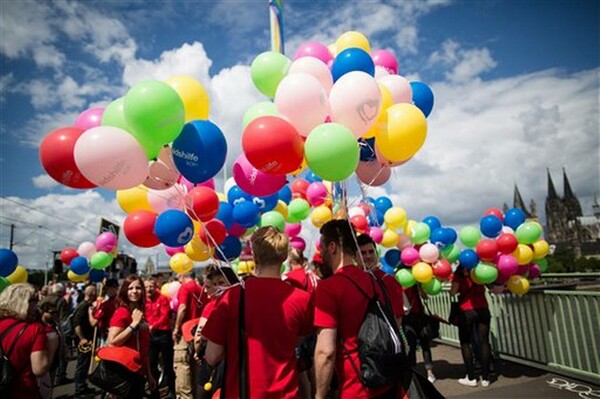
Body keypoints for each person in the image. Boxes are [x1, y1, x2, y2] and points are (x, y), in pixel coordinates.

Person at [203, 226, 313, 398]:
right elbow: (296, 341)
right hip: (286, 393)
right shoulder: (302, 299)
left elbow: (212, 356)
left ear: (254, 256)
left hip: (241, 392)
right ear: (284, 256)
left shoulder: (232, 297)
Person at [314, 219, 404, 399]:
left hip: (356, 384)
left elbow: (326, 352)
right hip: (385, 375)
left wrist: (319, 395)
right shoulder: (375, 280)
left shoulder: (328, 288)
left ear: (332, 247)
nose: (320, 251)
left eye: (322, 245)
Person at [0, 283, 56, 399]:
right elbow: (39, 369)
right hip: (23, 390)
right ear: (23, 303)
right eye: (34, 300)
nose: (37, 305)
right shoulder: (34, 330)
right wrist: (52, 348)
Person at [108, 275, 156, 398]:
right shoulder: (122, 312)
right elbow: (112, 342)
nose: (134, 291)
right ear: (125, 291)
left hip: (139, 371)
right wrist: (134, 324)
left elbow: (143, 349)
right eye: (130, 288)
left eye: (138, 288)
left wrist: (149, 374)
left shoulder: (139, 312)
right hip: (125, 372)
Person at [450, 265, 492, 387]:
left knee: (465, 343)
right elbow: (490, 284)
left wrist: (454, 290)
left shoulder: (458, 275)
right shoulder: (479, 272)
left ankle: (471, 377)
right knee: (484, 342)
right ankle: (485, 378)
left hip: (466, 311)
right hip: (483, 309)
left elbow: (453, 292)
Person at [173, 271, 204, 399]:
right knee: (195, 367)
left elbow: (182, 308)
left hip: (185, 332)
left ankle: (185, 396)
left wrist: (176, 328)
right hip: (197, 331)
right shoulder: (201, 289)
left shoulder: (184, 288)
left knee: (182, 366)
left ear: (182, 275)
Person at [145, 276, 176, 399]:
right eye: (146, 287)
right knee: (151, 365)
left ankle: (171, 391)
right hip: (150, 335)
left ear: (156, 286)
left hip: (163, 334)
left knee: (168, 365)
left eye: (151, 286)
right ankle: (154, 392)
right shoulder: (144, 300)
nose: (149, 289)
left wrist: (153, 325)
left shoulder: (162, 298)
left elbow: (164, 315)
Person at [403, 283, 436, 383]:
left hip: (419, 317)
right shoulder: (399, 284)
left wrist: (420, 288)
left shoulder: (416, 283)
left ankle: (429, 371)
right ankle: (414, 372)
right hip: (407, 318)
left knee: (424, 343)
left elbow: (425, 297)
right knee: (412, 345)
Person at [39, 282, 71, 386]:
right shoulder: (61, 301)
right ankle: (59, 377)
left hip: (42, 328)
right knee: (59, 354)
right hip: (56, 328)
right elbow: (63, 318)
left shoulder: (44, 299)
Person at [72, 284, 97, 396]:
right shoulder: (83, 306)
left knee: (85, 363)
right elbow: (77, 324)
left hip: (88, 338)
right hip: (84, 340)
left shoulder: (88, 305)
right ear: (92, 294)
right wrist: (82, 338)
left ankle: (82, 385)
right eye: (95, 292)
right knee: (82, 364)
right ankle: (79, 388)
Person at [37, 300, 61, 399]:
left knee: (49, 388)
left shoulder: (55, 324)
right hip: (43, 364)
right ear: (43, 312)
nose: (55, 315)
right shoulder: (39, 327)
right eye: (51, 313)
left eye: (56, 312)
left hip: (54, 362)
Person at [90, 278, 119, 345]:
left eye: (108, 288)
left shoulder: (106, 304)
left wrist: (91, 309)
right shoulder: (120, 301)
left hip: (108, 333)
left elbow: (94, 320)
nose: (107, 290)